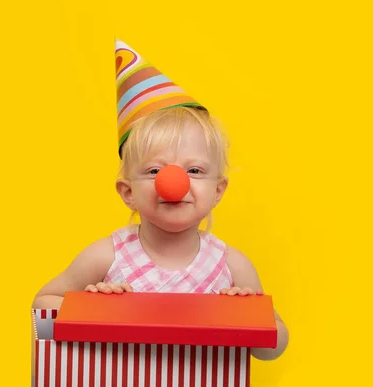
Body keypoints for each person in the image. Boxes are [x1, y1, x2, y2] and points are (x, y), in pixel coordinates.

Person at [32, 39, 288, 360]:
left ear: (218, 190)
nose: (173, 182)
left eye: (194, 170)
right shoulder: (107, 256)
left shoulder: (232, 266)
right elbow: (41, 308)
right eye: (155, 170)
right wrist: (91, 305)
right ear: (128, 193)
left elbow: (272, 349)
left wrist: (247, 316)